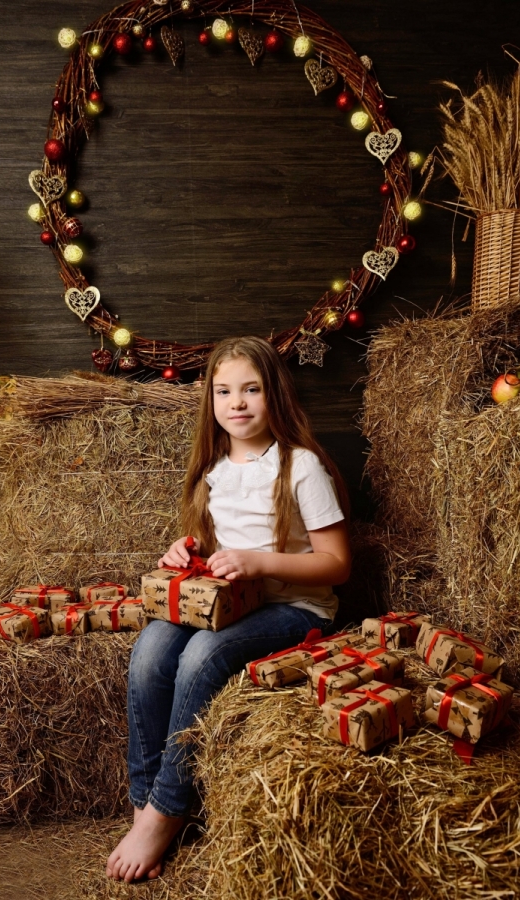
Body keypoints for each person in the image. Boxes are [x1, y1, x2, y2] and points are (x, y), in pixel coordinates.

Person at [106, 335, 351, 883]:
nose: (236, 402)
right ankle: (143, 797)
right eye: (223, 391)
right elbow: (210, 545)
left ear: (276, 394)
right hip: (231, 603)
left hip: (297, 607)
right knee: (150, 650)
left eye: (251, 389)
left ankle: (167, 811)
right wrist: (183, 550)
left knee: (201, 656)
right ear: (210, 401)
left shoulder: (301, 465)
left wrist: (260, 562)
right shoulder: (214, 466)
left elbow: (336, 564)